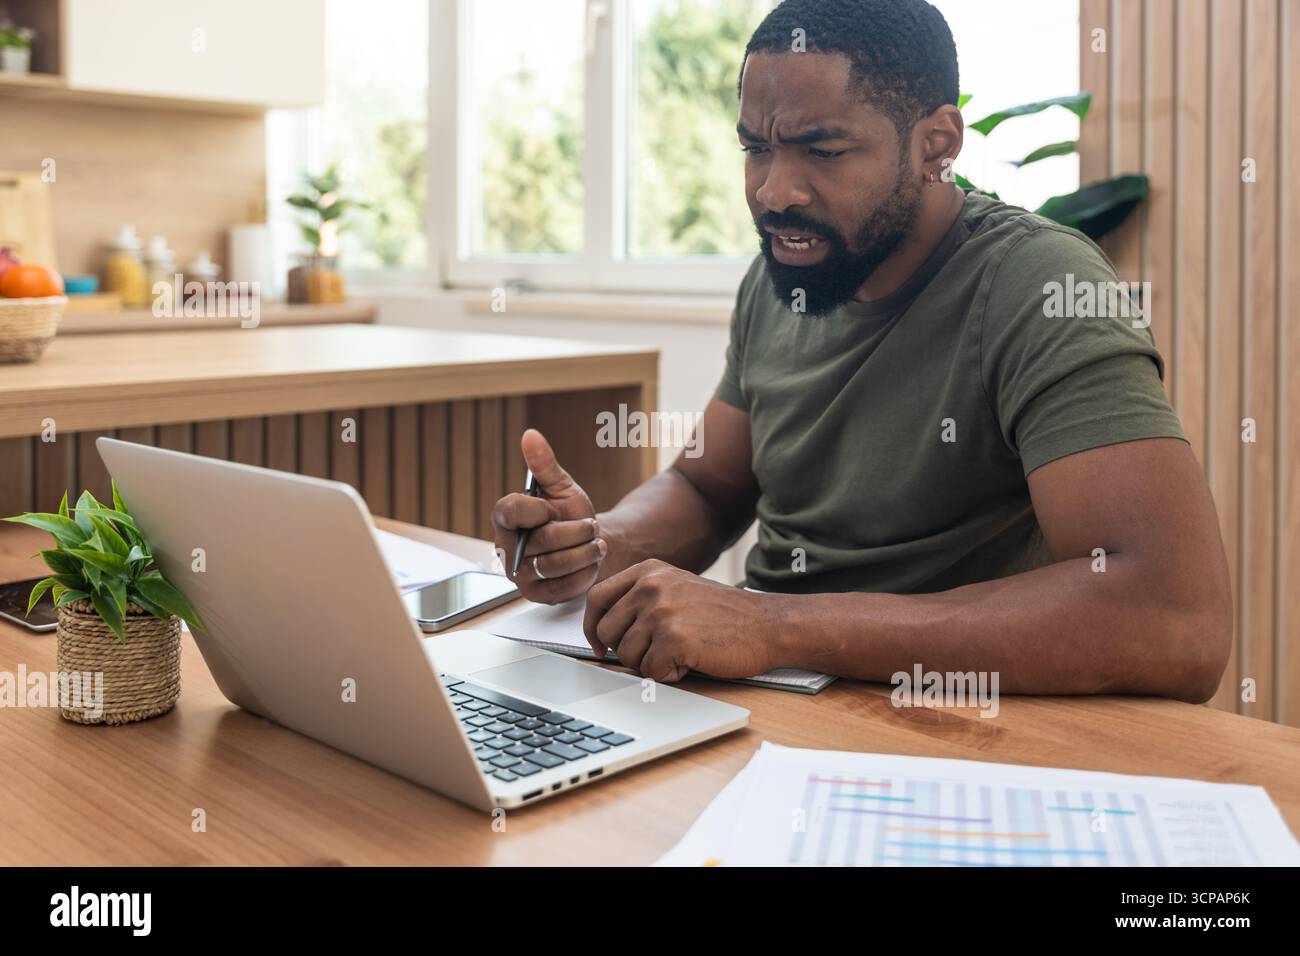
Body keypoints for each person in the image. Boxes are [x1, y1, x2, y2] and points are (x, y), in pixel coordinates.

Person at [490, 0, 1230, 702]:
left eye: (822, 150)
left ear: (935, 144)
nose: (774, 192)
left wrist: (775, 626)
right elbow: (708, 488)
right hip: (767, 698)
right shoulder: (788, 272)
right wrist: (597, 545)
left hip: (945, 724)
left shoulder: (1038, 284)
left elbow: (1174, 617)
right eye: (756, 148)